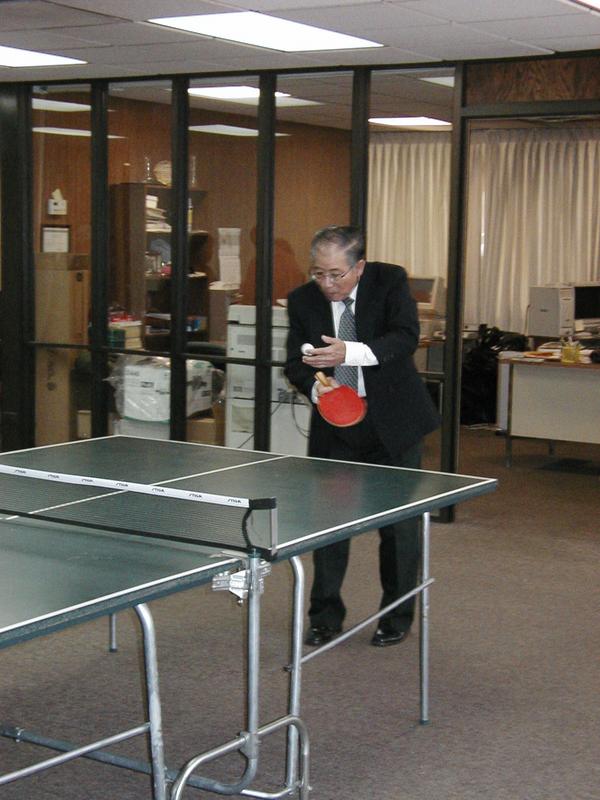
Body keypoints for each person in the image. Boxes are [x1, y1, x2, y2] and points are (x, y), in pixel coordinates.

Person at [284, 225, 440, 648]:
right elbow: (294, 363)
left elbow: (405, 337)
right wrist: (319, 388)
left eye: (337, 274)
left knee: (398, 526)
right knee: (332, 526)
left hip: (394, 424)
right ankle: (325, 616)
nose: (327, 284)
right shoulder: (302, 300)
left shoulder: (390, 281)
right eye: (319, 273)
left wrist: (348, 353)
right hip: (337, 428)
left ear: (360, 266)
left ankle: (397, 614)